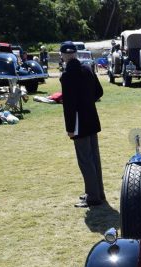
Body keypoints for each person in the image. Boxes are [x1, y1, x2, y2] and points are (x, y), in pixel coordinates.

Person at [59, 41, 106, 208]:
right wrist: (87, 102)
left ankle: (93, 197)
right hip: (91, 118)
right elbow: (99, 92)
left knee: (85, 160)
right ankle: (98, 193)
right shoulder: (87, 69)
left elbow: (69, 106)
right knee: (94, 158)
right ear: (75, 54)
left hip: (79, 122)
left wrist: (70, 129)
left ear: (64, 55)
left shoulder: (66, 75)